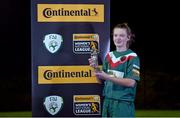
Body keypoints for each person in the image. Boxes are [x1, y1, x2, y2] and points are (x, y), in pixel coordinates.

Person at [89, 23, 140, 117]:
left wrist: (107, 77)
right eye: (115, 35)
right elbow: (101, 81)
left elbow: (131, 82)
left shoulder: (133, 57)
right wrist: (96, 69)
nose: (118, 38)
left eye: (122, 35)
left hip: (123, 104)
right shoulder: (109, 56)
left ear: (128, 37)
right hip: (107, 102)